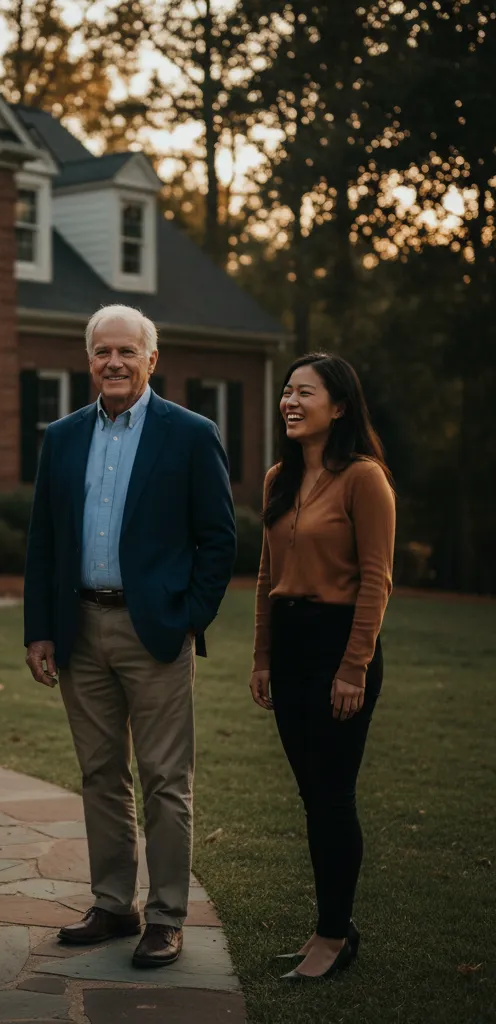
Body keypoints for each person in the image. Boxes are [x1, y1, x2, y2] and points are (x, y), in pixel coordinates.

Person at [23, 304, 236, 969]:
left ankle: (166, 917)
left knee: (166, 780)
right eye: (101, 352)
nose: (113, 362)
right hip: (79, 629)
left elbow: (219, 539)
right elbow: (44, 543)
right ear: (88, 360)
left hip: (157, 633)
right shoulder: (61, 437)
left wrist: (188, 616)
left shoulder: (191, 434)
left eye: (126, 351)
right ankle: (114, 903)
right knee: (99, 774)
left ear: (152, 358)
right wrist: (40, 631)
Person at [249, 352, 395, 982]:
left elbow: (377, 580)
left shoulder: (365, 478)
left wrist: (354, 668)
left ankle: (334, 937)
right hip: (290, 646)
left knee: (332, 797)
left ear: (338, 406)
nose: (289, 401)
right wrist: (261, 657)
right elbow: (265, 575)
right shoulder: (279, 478)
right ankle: (329, 927)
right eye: (286, 391)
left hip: (340, 647)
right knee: (313, 798)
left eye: (304, 392)